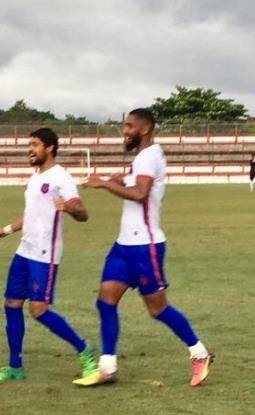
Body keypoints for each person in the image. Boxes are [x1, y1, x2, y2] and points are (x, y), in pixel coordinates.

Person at [75, 108, 212, 387]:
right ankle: (107, 367)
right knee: (105, 302)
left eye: (128, 126)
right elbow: (133, 184)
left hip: (145, 246)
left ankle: (199, 353)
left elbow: (140, 194)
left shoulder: (149, 156)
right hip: (124, 246)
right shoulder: (141, 158)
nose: (124, 131)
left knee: (157, 309)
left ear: (145, 129)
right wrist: (116, 179)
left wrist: (103, 184)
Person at [0, 128, 95, 383]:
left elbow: (82, 213)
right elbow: (30, 214)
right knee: (11, 304)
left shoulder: (61, 178)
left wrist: (69, 207)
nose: (30, 149)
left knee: (39, 309)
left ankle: (85, 351)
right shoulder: (35, 177)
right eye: (29, 144)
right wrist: (6, 230)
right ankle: (15, 367)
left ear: (50, 148)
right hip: (25, 249)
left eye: (34, 144)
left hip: (45, 253)